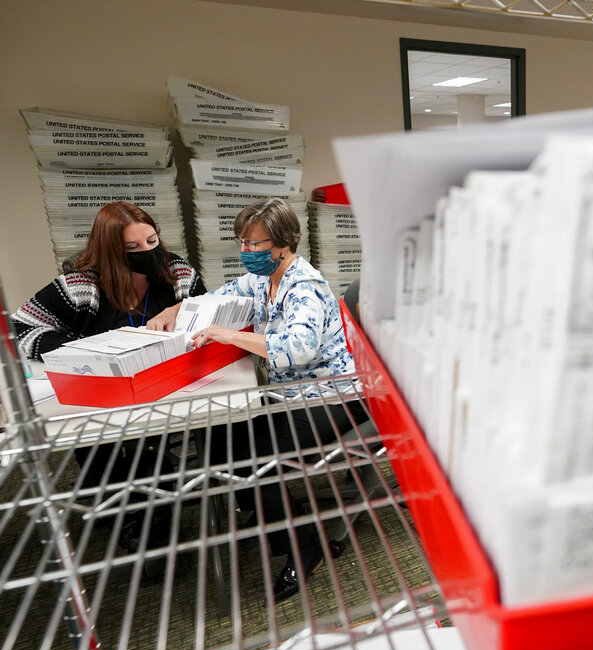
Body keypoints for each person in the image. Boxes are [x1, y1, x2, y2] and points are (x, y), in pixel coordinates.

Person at [148, 197, 363, 602]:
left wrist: (229, 336)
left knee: (258, 462)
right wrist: (178, 308)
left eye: (255, 245)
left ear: (283, 243)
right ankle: (270, 511)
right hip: (290, 393)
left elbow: (297, 348)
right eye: (242, 243)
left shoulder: (306, 286)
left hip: (331, 395)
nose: (246, 252)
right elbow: (219, 295)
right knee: (218, 441)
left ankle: (303, 547)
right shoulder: (263, 279)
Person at [13, 201, 206, 557]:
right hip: (100, 390)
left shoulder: (177, 273)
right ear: (109, 251)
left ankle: (155, 515)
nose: (147, 252)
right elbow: (22, 327)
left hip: (161, 385)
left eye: (151, 241)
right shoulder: (81, 284)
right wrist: (80, 350)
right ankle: (126, 513)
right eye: (132, 248)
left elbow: (207, 313)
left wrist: (182, 309)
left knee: (151, 451)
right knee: (102, 446)